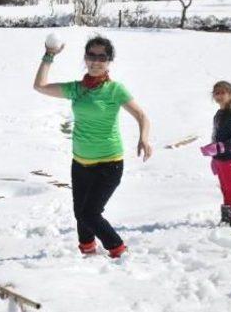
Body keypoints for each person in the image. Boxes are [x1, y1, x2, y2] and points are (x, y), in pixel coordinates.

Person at [33, 35, 152, 258]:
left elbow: (142, 116)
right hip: (80, 163)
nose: (95, 61)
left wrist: (143, 138)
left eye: (102, 57)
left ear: (109, 61)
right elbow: (39, 86)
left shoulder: (115, 90)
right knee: (81, 213)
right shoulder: (77, 89)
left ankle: (118, 249)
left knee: (90, 213)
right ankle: (87, 250)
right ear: (85, 58)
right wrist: (49, 55)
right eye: (91, 56)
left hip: (109, 163)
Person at [200, 81, 231, 228]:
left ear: (230, 94)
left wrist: (219, 147)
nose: (219, 96)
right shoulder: (219, 114)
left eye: (222, 92)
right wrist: (214, 155)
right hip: (221, 159)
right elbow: (217, 136)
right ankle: (226, 218)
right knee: (225, 188)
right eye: (216, 93)